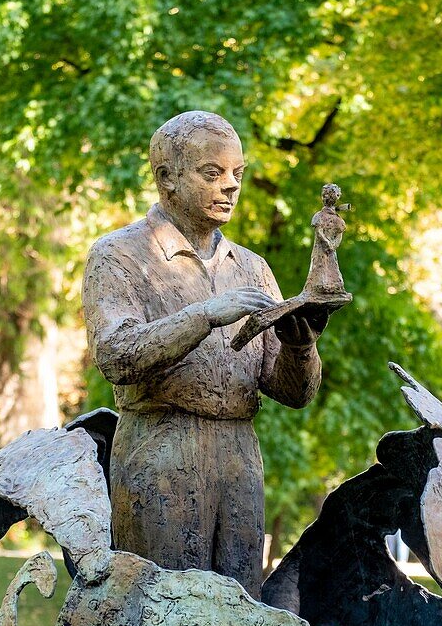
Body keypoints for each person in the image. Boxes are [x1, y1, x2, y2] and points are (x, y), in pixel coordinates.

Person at [82, 110, 327, 598]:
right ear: (166, 178)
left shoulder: (252, 268)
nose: (230, 186)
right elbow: (115, 353)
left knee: (239, 613)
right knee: (165, 612)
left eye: (237, 174)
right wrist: (204, 316)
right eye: (212, 173)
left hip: (238, 456)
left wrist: (301, 347)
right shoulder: (119, 256)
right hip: (160, 449)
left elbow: (292, 392)